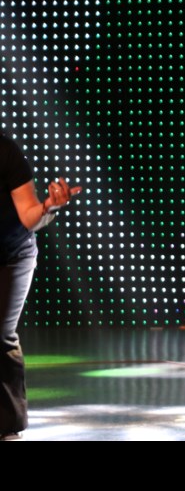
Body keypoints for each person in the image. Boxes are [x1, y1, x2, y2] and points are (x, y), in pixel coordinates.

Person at [0, 132, 81, 440]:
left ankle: (7, 427)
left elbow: (29, 216)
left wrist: (49, 205)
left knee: (0, 334)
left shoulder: (6, 150)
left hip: (12, 256)